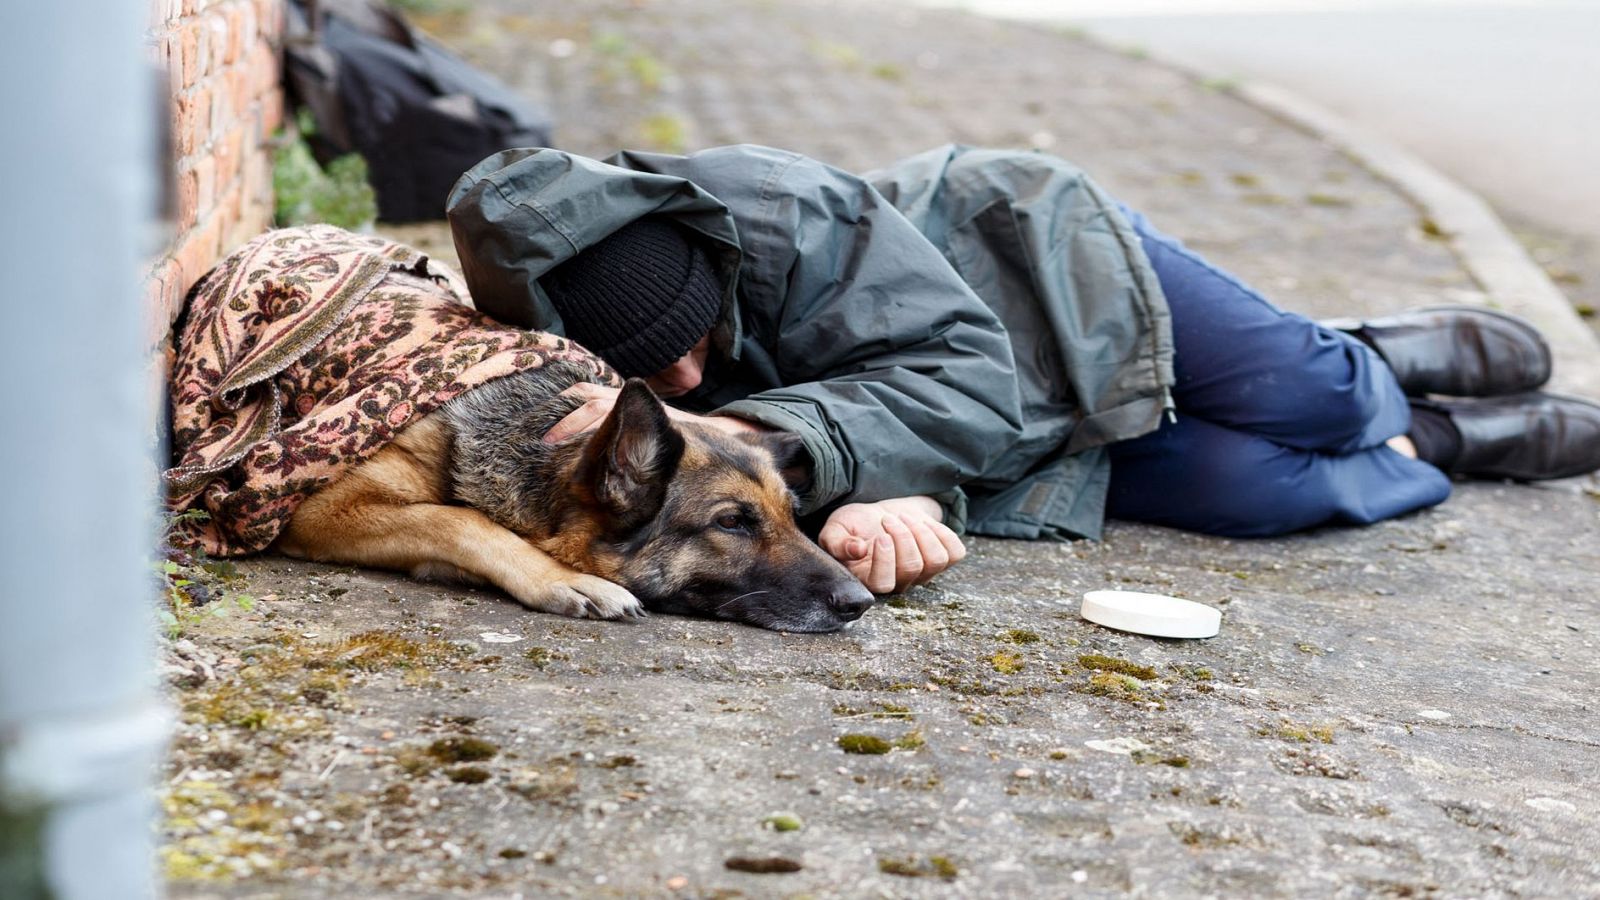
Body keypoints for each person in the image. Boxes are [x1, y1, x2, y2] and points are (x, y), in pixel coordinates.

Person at [445, 144, 1600, 595]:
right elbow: (773, 473)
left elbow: (956, 369)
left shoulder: (781, 210)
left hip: (1039, 281)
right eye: (658, 368)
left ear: (705, 256)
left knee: (1316, 398)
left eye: (696, 334)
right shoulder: (570, 346)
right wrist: (887, 503)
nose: (687, 377)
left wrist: (764, 438)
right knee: (1271, 492)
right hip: (969, 434)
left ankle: (1366, 360)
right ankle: (1438, 443)